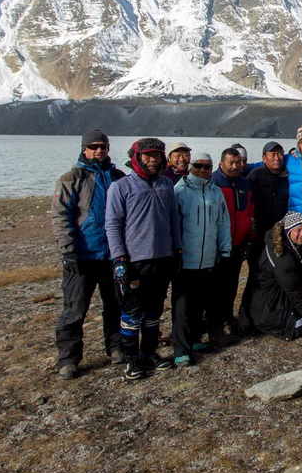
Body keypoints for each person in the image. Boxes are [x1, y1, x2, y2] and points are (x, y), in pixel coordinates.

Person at [51, 129, 126, 379]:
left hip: (113, 255)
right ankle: (68, 358)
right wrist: (68, 250)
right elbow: (61, 216)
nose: (99, 150)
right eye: (93, 146)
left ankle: (115, 347)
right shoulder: (72, 177)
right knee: (74, 309)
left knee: (115, 305)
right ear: (84, 148)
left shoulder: (118, 177)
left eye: (103, 146)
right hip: (82, 256)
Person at [105, 137, 182, 381]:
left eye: (157, 156)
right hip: (133, 260)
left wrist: (177, 249)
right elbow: (113, 224)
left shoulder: (166, 185)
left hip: (162, 257)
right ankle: (131, 359)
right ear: (136, 158)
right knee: (131, 312)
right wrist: (119, 258)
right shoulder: (121, 187)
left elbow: (172, 219)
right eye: (148, 156)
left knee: (154, 310)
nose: (152, 160)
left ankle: (149, 353)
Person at [172, 151, 232, 367]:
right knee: (182, 306)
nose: (203, 170)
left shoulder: (216, 192)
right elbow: (173, 224)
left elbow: (223, 224)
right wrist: (175, 252)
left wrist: (225, 251)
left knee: (200, 302)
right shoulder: (179, 191)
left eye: (207, 166)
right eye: (198, 165)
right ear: (190, 167)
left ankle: (195, 339)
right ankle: (181, 349)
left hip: (208, 258)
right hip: (185, 259)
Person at [239, 211, 302, 340]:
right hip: (267, 307)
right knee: (301, 327)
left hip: (266, 301)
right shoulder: (283, 258)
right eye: (298, 231)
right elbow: (295, 291)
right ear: (288, 231)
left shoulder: (284, 243)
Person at [210, 146, 255, 342]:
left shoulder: (245, 183)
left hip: (239, 243)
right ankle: (214, 323)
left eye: (239, 162)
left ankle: (228, 319)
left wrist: (250, 231)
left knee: (231, 283)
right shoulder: (213, 182)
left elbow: (249, 210)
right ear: (221, 164)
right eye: (231, 163)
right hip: (219, 244)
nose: (236, 166)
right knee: (216, 285)